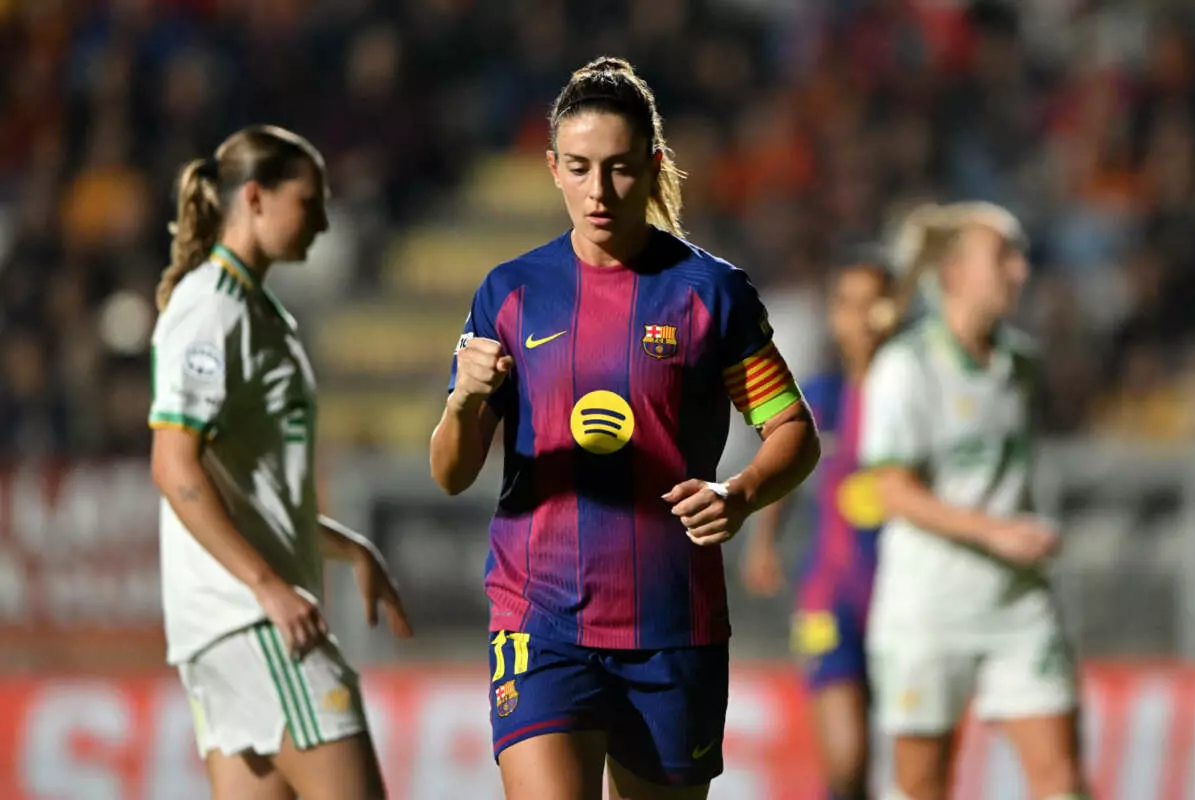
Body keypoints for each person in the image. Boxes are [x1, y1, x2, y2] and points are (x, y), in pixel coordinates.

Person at [429, 57, 821, 800]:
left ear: (653, 164)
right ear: (552, 168)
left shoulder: (711, 294)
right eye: (578, 168)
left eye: (617, 168)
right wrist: (460, 403)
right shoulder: (510, 294)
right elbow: (450, 473)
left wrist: (739, 495)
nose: (598, 191)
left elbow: (793, 431)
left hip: (672, 623)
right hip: (538, 618)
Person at [148, 125, 413, 800]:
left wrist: (342, 547)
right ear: (257, 199)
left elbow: (246, 490)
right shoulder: (210, 309)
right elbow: (175, 466)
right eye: (310, 201)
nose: (323, 221)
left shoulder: (259, 313)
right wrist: (267, 584)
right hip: (254, 623)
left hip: (233, 628)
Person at [861, 202, 1087, 800]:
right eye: (1004, 257)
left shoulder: (1022, 364)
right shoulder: (906, 368)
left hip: (1018, 602)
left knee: (1062, 781)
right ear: (955, 272)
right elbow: (891, 489)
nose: (1020, 271)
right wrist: (996, 532)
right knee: (922, 787)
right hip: (928, 609)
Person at [742, 246, 899, 800]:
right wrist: (763, 541)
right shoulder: (822, 398)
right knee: (848, 763)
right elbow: (785, 464)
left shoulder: (913, 398)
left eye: (874, 302)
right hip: (831, 598)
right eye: (849, 303)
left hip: (908, 598)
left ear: (897, 309)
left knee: (909, 769)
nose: (862, 316)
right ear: (834, 314)